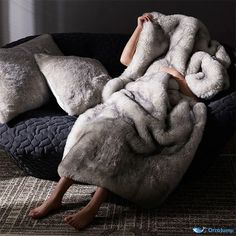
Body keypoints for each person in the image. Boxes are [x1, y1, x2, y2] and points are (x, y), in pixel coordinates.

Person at [28, 13, 197, 230]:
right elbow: (126, 60)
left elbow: (193, 97)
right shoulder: (150, 59)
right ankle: (56, 196)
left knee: (119, 137)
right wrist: (139, 28)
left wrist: (175, 74)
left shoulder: (185, 64)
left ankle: (93, 207)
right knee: (96, 129)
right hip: (126, 101)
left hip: (153, 111)